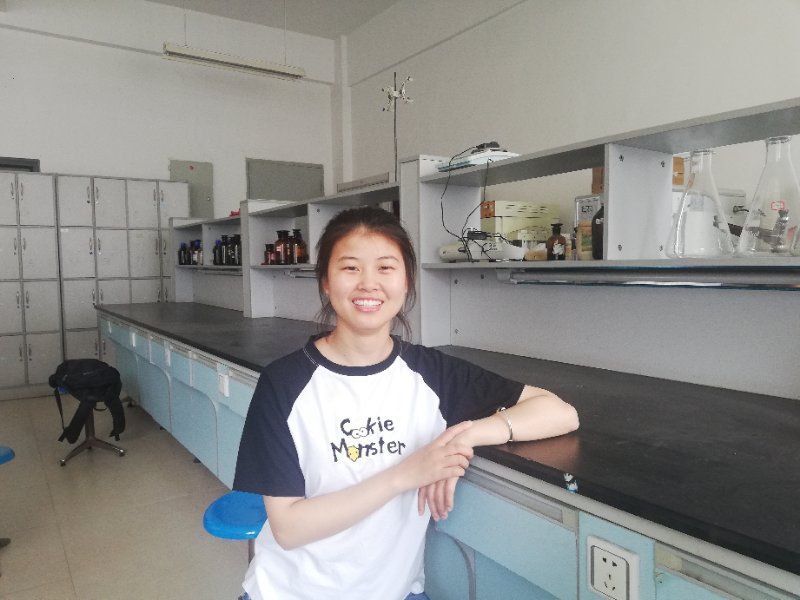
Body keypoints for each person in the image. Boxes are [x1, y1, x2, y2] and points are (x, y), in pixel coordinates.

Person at [233, 206, 579, 600]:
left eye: (385, 267)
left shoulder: (432, 375)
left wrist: (465, 436)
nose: (369, 284)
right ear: (325, 281)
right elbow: (289, 528)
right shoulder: (284, 384)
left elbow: (559, 412)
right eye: (350, 268)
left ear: (406, 281)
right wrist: (404, 475)